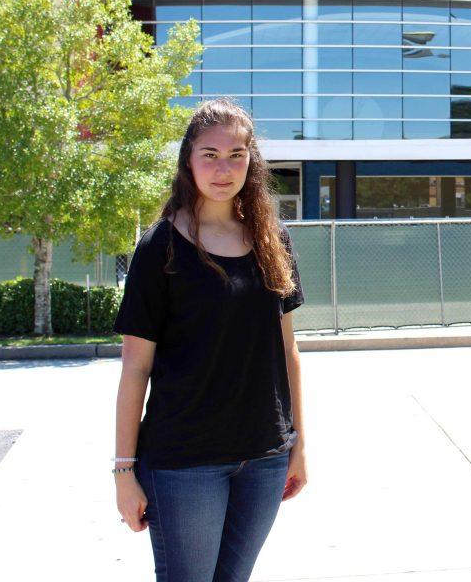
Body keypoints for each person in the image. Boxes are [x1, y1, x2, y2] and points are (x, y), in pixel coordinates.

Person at [112, 98, 308, 582]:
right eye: (210, 154)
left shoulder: (271, 239)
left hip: (264, 458)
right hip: (184, 463)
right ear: (188, 160)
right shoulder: (160, 245)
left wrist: (297, 445)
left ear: (252, 161)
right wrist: (123, 472)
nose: (224, 168)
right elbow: (135, 367)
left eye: (236, 154)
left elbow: (288, 352)